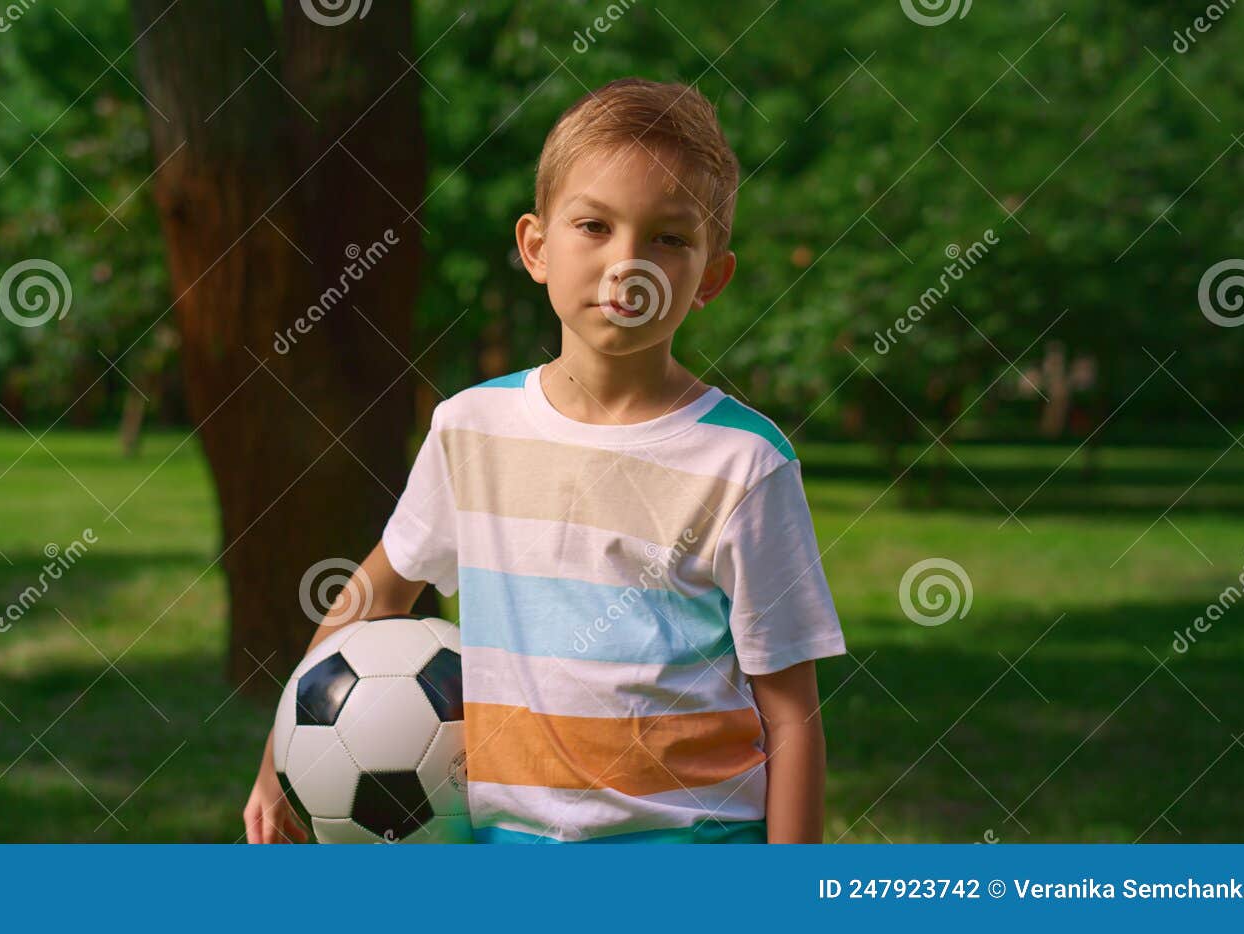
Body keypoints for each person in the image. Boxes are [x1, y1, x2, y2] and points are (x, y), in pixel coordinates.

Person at [246, 77, 846, 844]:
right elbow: (372, 597)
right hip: (511, 853)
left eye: (669, 238)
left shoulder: (745, 464)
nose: (627, 264)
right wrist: (281, 757)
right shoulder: (472, 430)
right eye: (594, 225)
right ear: (536, 247)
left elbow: (792, 715)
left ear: (712, 278)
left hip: (691, 852)